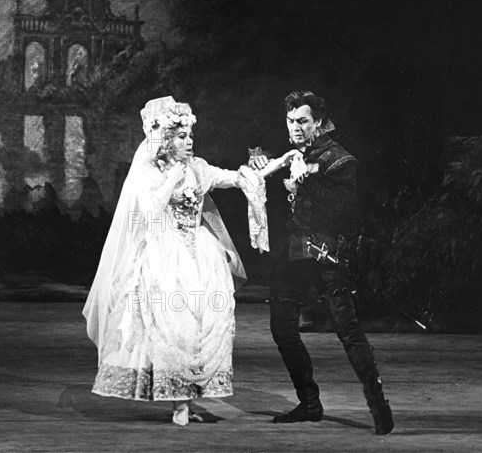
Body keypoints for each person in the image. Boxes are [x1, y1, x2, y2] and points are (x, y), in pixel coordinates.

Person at [83, 96, 271, 427]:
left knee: (202, 328)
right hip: (163, 255)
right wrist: (171, 180)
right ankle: (178, 402)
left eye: (190, 137)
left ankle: (191, 396)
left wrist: (266, 167)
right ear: (166, 140)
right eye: (181, 137)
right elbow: (150, 212)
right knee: (172, 329)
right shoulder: (149, 172)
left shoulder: (198, 167)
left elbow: (234, 179)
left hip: (199, 256)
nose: (188, 142)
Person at [249, 90, 394, 435]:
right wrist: (261, 159)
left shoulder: (339, 159)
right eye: (290, 120)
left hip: (328, 252)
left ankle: (379, 406)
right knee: (282, 327)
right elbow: (267, 156)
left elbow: (345, 210)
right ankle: (310, 403)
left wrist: (306, 179)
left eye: (302, 121)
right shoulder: (295, 149)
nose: (295, 127)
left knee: (348, 330)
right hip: (293, 253)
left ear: (319, 122)